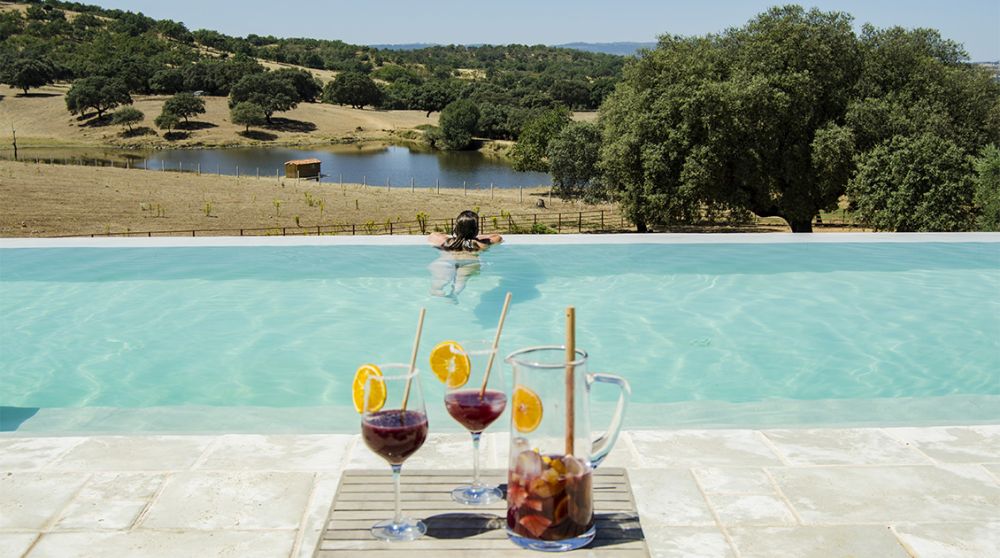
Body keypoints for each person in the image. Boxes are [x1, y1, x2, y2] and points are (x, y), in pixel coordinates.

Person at [427, 211, 503, 299]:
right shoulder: (479, 244)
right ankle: (454, 295)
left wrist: (458, 237)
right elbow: (498, 237)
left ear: (456, 228)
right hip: (469, 262)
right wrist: (476, 238)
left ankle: (436, 289)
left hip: (448, 260)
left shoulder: (447, 242)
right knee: (461, 279)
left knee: (442, 278)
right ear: (476, 230)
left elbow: (433, 235)